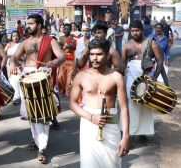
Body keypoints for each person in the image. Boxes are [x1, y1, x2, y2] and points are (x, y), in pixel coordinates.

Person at [9, 14, 65, 164]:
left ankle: (42, 147)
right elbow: (13, 57)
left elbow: (61, 57)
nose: (28, 26)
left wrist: (55, 61)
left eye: (31, 23)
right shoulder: (24, 42)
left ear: (39, 25)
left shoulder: (50, 40)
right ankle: (36, 139)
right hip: (27, 77)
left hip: (42, 76)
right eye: (27, 23)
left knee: (42, 112)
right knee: (31, 112)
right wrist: (13, 64)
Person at [69, 37, 130, 168]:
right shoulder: (81, 76)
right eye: (92, 54)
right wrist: (91, 117)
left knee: (112, 163)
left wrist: (125, 136)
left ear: (108, 55)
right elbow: (72, 103)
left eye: (99, 54)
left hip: (111, 125)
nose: (94, 58)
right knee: (89, 164)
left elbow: (124, 108)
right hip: (88, 125)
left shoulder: (116, 77)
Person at [121, 20, 164, 141]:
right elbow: (123, 64)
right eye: (132, 31)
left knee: (146, 105)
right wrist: (120, 71)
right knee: (132, 105)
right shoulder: (126, 46)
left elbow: (160, 60)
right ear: (130, 31)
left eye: (137, 30)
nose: (135, 33)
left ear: (142, 30)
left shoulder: (152, 43)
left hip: (147, 76)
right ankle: (130, 134)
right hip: (131, 78)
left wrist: (154, 77)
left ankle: (143, 133)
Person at [58, 23, 77, 96]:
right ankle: (62, 89)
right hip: (63, 60)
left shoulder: (73, 38)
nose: (66, 30)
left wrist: (72, 47)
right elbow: (59, 47)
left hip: (71, 60)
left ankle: (67, 93)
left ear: (70, 30)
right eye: (65, 29)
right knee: (60, 77)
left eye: (68, 29)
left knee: (69, 78)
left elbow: (76, 48)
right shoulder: (61, 38)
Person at [4, 30, 22, 105]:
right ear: (11, 37)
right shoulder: (9, 45)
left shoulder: (21, 44)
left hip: (19, 63)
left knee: (19, 79)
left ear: (19, 36)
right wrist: (11, 57)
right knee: (12, 80)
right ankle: (16, 96)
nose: (15, 37)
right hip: (9, 64)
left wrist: (16, 57)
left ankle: (20, 96)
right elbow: (4, 55)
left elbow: (23, 55)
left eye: (16, 36)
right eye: (13, 36)